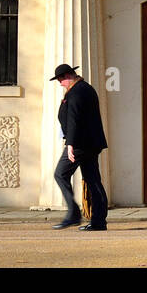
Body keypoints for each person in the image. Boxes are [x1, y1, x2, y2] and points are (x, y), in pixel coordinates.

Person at [50, 63, 109, 231]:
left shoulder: (76, 92)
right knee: (93, 181)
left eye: (60, 80)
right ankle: (98, 221)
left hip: (80, 144)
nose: (60, 83)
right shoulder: (85, 88)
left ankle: (74, 214)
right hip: (90, 143)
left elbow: (74, 120)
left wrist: (70, 145)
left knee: (60, 174)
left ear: (67, 76)